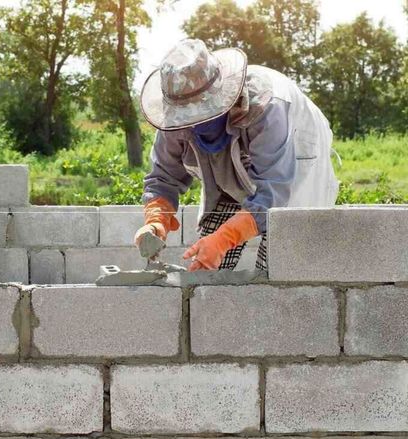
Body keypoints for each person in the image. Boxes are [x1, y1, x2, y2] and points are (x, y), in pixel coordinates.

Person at [134, 38, 339, 272]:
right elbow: (162, 178)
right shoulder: (175, 119)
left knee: (276, 266)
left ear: (221, 98)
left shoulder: (267, 108)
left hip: (293, 168)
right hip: (231, 170)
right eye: (187, 117)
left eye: (201, 114)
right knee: (206, 266)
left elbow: (273, 193)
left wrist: (225, 238)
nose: (194, 123)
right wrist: (155, 221)